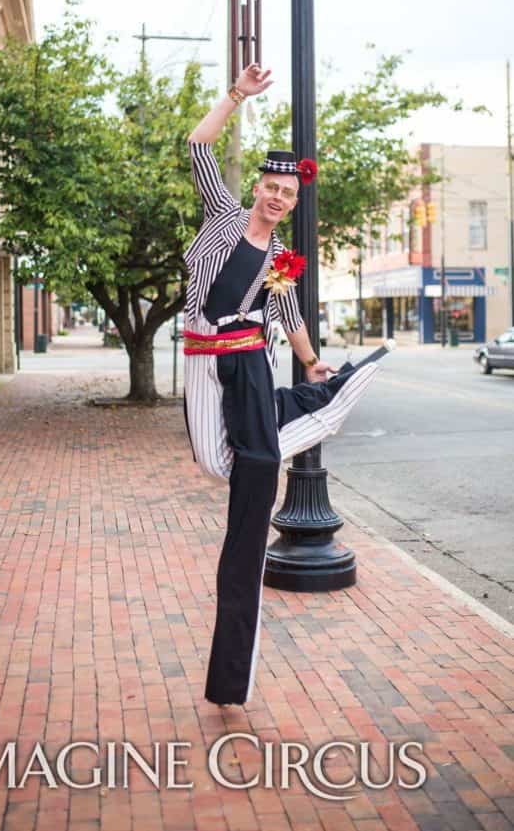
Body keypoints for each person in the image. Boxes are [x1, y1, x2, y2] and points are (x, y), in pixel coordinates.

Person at [183, 63, 390, 707]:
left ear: (295, 203)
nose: (277, 198)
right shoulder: (222, 216)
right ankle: (296, 411)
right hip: (202, 356)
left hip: (248, 358)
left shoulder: (280, 259)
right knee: (218, 460)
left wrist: (310, 361)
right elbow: (198, 144)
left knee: (258, 465)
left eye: (288, 194)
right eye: (271, 188)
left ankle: (317, 397)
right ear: (258, 189)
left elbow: (288, 313)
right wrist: (235, 96)